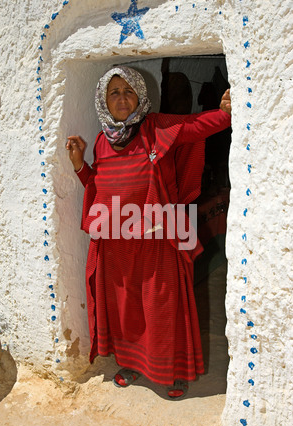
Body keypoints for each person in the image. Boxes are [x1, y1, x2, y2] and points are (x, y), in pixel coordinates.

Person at [66, 66, 231, 399]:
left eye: (129, 91)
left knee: (164, 306)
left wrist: (225, 115)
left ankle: (175, 372)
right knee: (127, 308)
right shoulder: (101, 141)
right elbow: (99, 188)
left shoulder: (156, 127)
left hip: (159, 239)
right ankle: (131, 363)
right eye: (114, 92)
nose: (122, 98)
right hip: (117, 243)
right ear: (103, 101)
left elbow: (196, 128)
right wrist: (81, 167)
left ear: (140, 96)